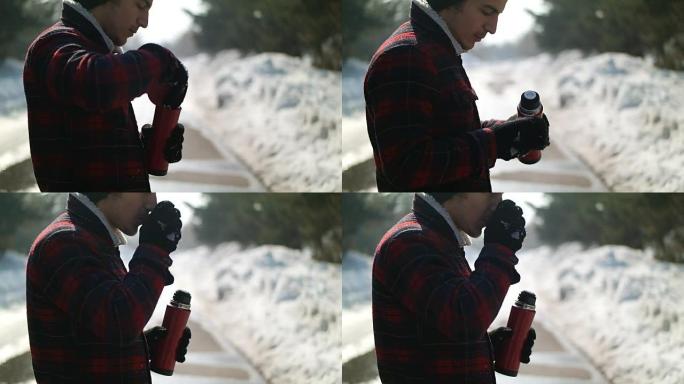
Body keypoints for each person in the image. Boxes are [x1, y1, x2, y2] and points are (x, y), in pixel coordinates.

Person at [364, 0, 551, 191]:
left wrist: (506, 130)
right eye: (487, 11)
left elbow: (446, 131)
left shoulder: (436, 48)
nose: (493, 28)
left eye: (498, 15)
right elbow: (406, 168)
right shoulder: (407, 55)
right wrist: (493, 142)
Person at [24, 0, 187, 191]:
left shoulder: (99, 52)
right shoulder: (53, 44)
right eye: (141, 6)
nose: (144, 22)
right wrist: (160, 61)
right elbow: (95, 84)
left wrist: (141, 151)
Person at [26, 193, 190, 383]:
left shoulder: (93, 241)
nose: (152, 203)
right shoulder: (65, 242)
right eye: (144, 190)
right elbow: (121, 321)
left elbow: (97, 330)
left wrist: (143, 345)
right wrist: (155, 250)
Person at [372, 193, 535, 382]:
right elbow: (465, 319)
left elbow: (440, 329)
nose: (496, 204)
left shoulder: (438, 240)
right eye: (490, 194)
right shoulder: (410, 241)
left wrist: (487, 346)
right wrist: (500, 250)